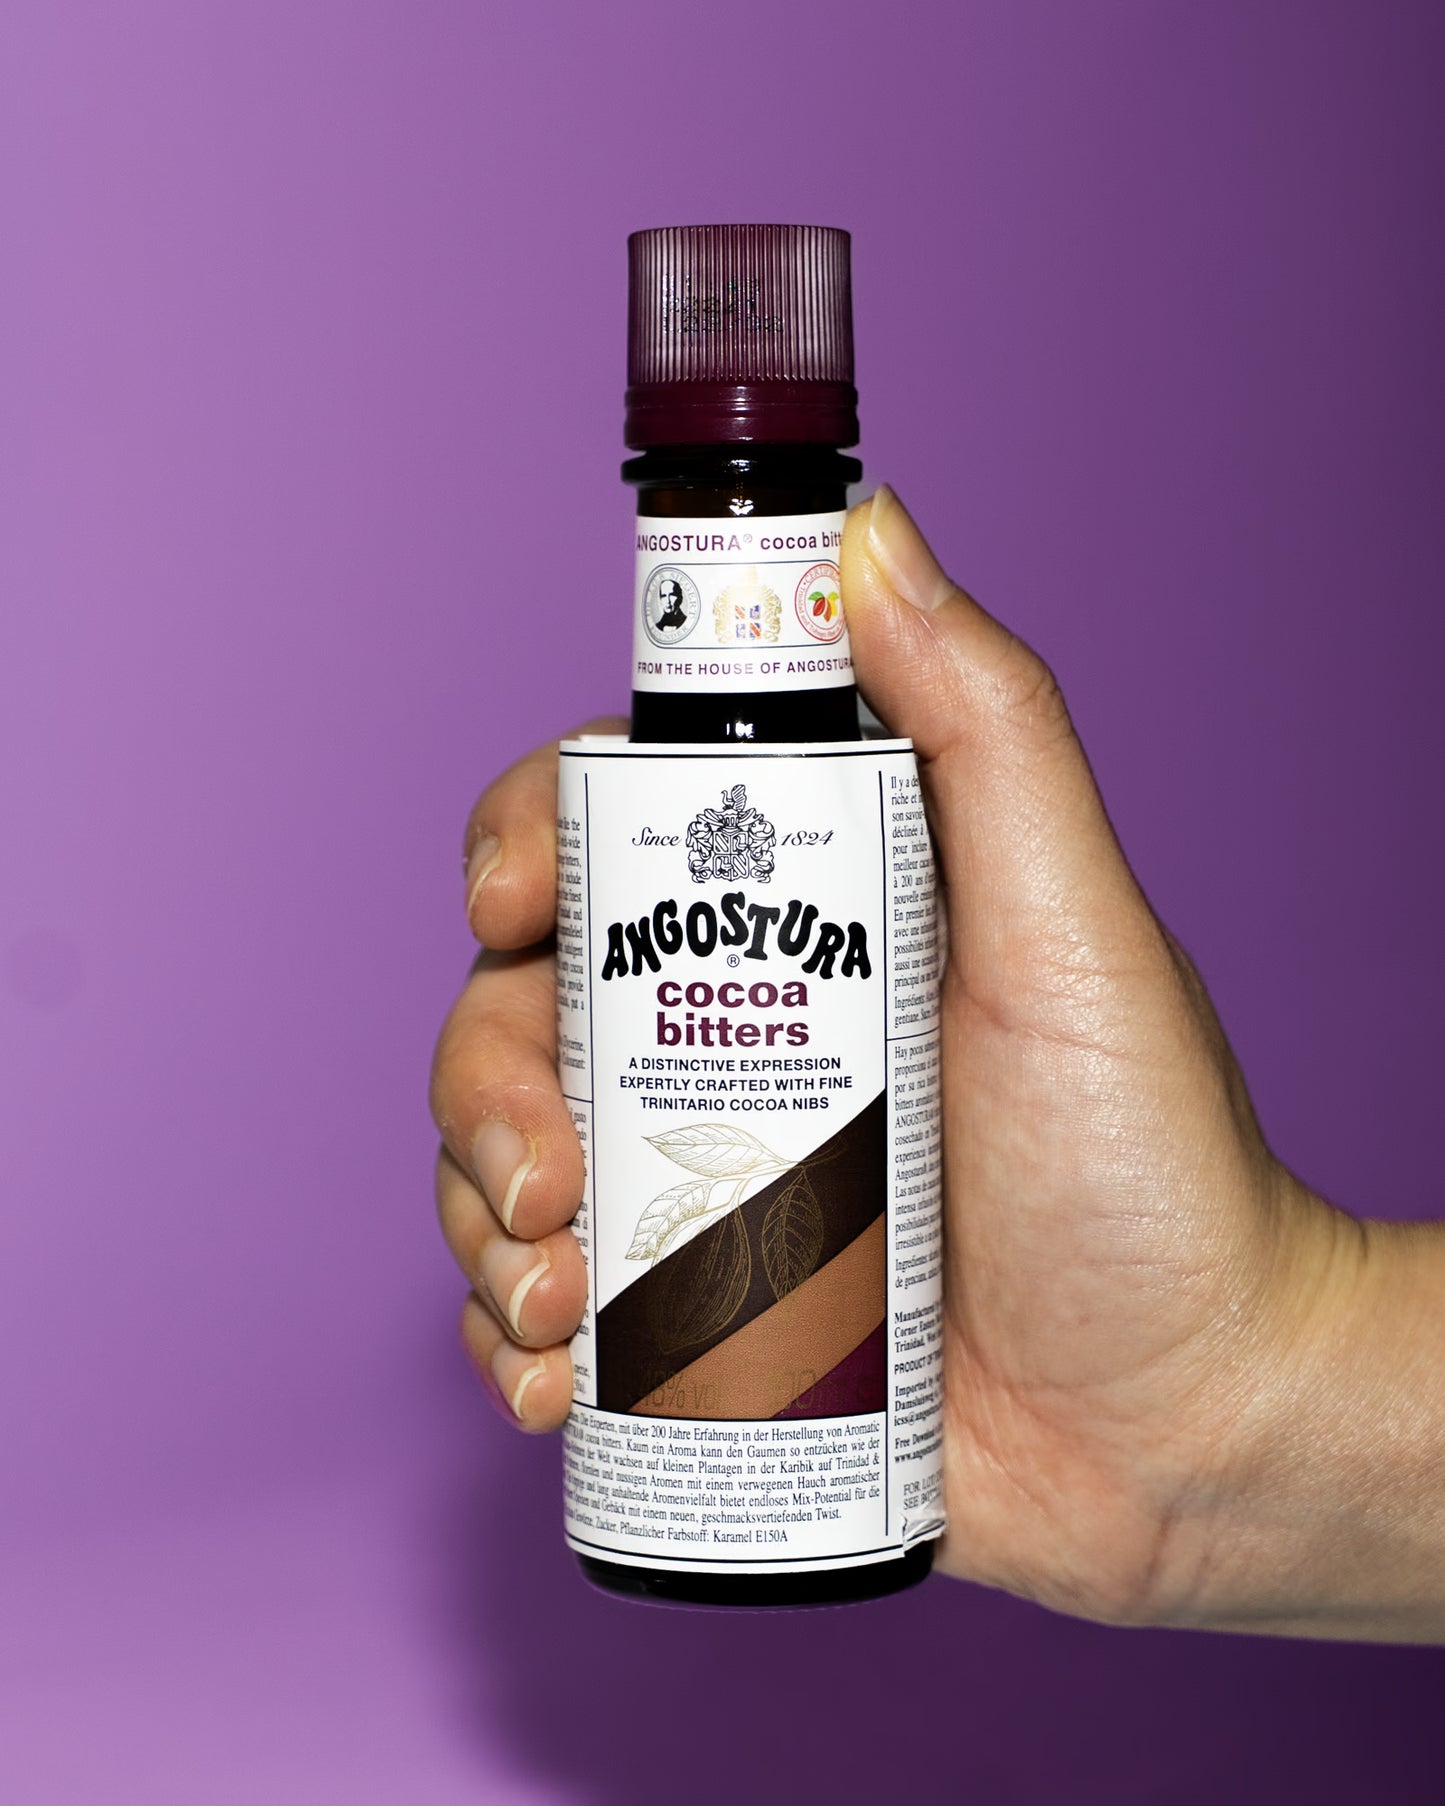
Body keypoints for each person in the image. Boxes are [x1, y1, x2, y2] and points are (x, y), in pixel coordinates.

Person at [430, 486, 1445, 1643]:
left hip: (879, 1427)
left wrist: (1247, 1385)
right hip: (672, 1459)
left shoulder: (869, 788)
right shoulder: (627, 796)